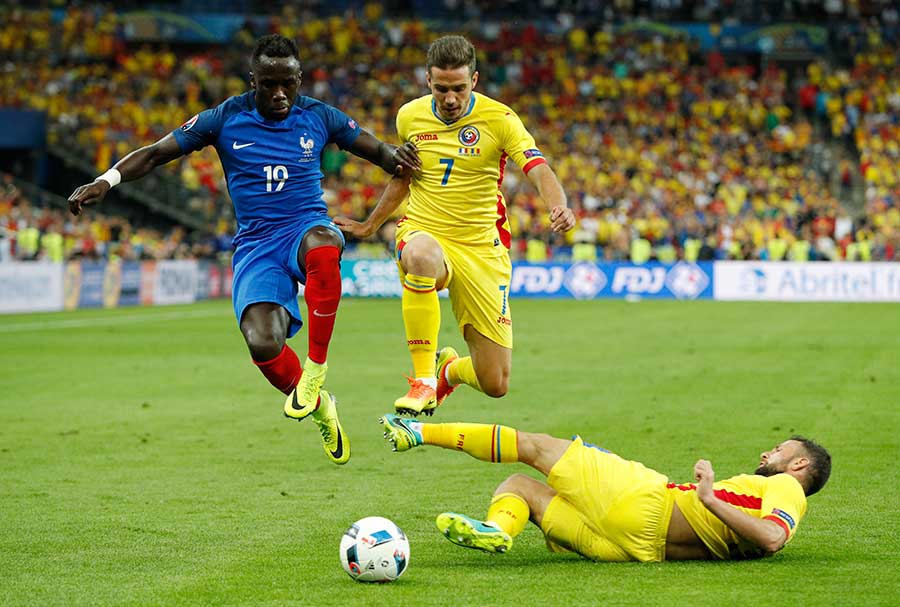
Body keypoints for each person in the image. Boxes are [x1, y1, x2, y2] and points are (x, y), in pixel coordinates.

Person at [66, 34, 421, 465]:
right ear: (252, 79)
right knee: (261, 341)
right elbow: (157, 153)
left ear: (299, 79)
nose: (278, 93)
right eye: (268, 83)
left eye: (287, 83)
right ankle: (322, 407)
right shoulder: (224, 118)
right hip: (257, 244)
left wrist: (398, 156)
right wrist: (106, 182)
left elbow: (378, 151)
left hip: (304, 226)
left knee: (325, 244)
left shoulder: (320, 116)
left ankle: (315, 369)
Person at [336, 35, 575, 417]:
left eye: (459, 89)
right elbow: (404, 176)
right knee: (421, 256)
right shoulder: (410, 116)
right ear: (428, 81)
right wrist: (369, 226)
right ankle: (423, 380)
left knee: (495, 381)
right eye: (442, 88)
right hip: (425, 230)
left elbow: (538, 167)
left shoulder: (500, 119)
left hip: (482, 248)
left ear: (475, 81)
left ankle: (449, 370)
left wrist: (558, 205)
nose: (450, 99)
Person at [379, 414, 831, 562]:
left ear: (799, 463)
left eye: (777, 449)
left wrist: (709, 497)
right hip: (632, 550)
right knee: (520, 486)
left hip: (646, 500)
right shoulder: (763, 498)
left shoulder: (789, 489)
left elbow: (773, 538)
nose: (766, 454)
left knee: (536, 447)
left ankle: (417, 431)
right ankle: (500, 529)